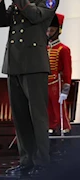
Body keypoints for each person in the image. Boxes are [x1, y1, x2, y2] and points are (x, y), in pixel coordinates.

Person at [0, 0, 60, 176]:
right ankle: (26, 161)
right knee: (20, 116)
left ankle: (42, 161)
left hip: (33, 64)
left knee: (37, 116)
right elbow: (3, 21)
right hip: (14, 64)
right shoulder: (21, 0)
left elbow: (36, 15)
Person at [46, 13, 72, 155]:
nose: (49, 32)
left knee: (59, 113)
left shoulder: (63, 49)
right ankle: (51, 135)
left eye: (52, 29)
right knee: (48, 112)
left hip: (57, 84)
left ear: (58, 30)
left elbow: (67, 71)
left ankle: (64, 136)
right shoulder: (44, 48)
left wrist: (65, 90)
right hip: (45, 84)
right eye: (48, 29)